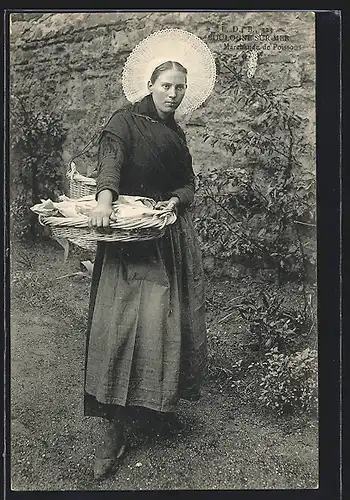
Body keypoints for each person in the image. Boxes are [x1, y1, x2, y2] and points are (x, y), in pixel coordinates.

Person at [85, 41, 214, 479]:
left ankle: (156, 406)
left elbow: (189, 182)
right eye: (166, 85)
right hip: (129, 238)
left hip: (166, 238)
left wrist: (176, 202)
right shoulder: (124, 122)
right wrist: (104, 200)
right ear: (150, 85)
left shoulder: (176, 134)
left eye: (180, 87)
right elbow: (110, 164)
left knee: (163, 325)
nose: (173, 94)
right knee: (121, 327)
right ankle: (113, 430)